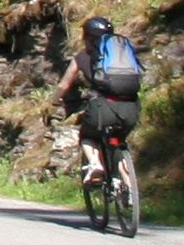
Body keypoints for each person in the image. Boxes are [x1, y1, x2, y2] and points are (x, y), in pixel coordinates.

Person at [62, 14, 145, 187]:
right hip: (131, 107)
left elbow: (64, 85)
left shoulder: (82, 57)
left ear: (87, 37)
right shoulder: (121, 53)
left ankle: (95, 163)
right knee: (117, 141)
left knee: (87, 136)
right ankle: (129, 187)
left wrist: (54, 101)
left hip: (102, 107)